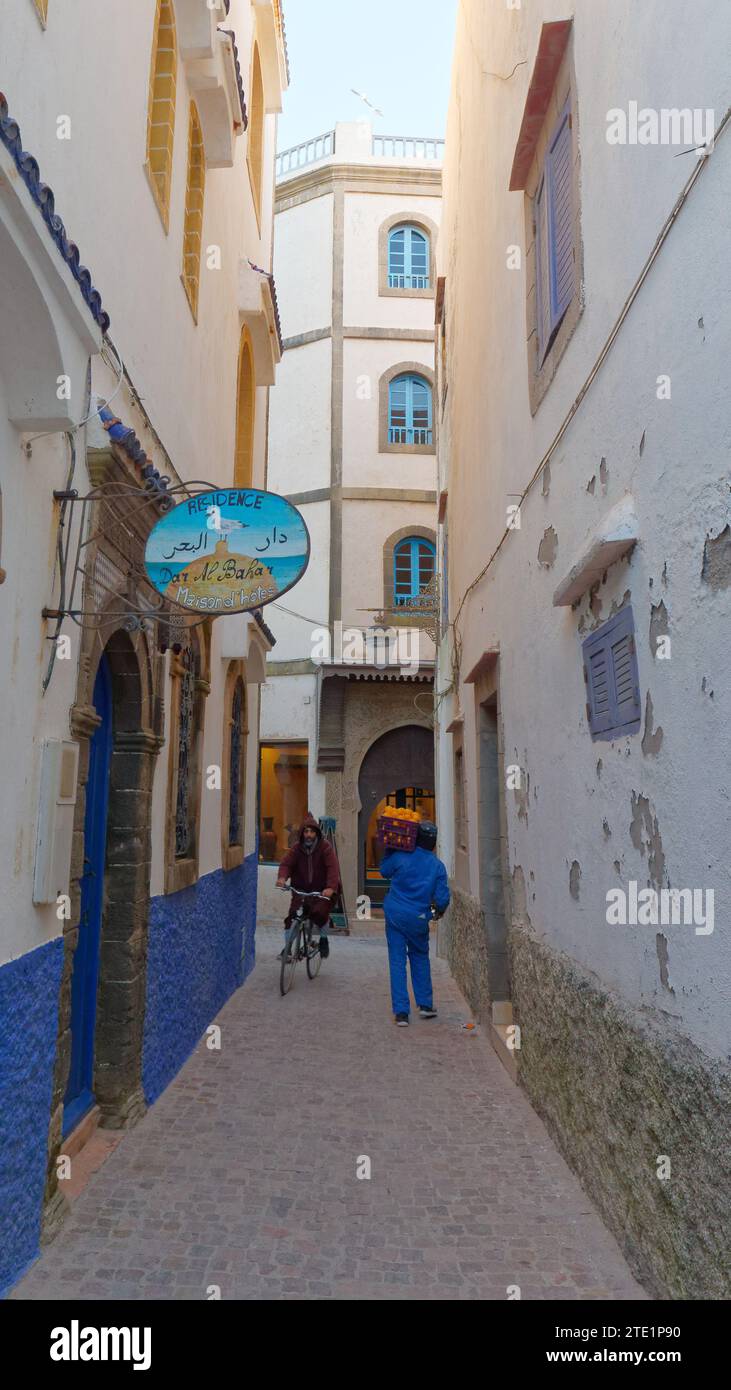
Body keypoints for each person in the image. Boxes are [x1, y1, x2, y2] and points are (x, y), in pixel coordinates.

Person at [379, 821, 450, 1026]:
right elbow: (442, 898)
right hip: (419, 918)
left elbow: (384, 871)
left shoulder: (401, 857)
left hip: (396, 915)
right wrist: (436, 913)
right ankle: (425, 1005)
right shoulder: (437, 866)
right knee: (420, 957)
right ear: (434, 844)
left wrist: (390, 849)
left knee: (397, 960)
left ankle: (401, 1012)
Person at [276, 813, 340, 960]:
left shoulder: (325, 848)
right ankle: (288, 949)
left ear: (316, 833)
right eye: (306, 832)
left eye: (311, 831)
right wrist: (282, 878)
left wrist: (330, 887)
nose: (309, 835)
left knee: (320, 914)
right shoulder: (296, 848)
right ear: (302, 834)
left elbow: (333, 868)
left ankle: (323, 939)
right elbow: (286, 864)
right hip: (301, 890)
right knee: (292, 917)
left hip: (322, 890)